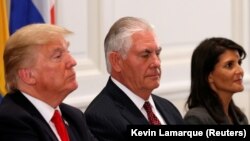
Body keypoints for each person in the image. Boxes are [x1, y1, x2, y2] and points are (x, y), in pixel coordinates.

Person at [83, 16, 184, 141]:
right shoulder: (101, 117)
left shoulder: (168, 108)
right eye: (145, 55)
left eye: (157, 53)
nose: (156, 63)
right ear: (117, 61)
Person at [0, 24, 97, 141]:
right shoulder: (11, 122)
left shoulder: (74, 116)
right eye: (58, 56)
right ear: (28, 75)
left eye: (68, 51)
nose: (72, 62)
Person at [184, 37, 249, 125]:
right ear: (209, 76)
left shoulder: (239, 117)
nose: (240, 70)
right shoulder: (196, 119)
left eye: (239, 63)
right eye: (229, 65)